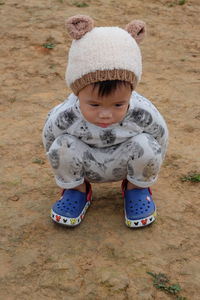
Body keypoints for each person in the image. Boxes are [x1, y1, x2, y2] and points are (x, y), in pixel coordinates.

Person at [42, 15, 168, 228]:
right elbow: (49, 138)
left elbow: (161, 137)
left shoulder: (142, 112)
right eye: (95, 105)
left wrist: (148, 169)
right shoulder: (66, 115)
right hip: (85, 164)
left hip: (125, 162)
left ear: (130, 94)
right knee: (61, 146)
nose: (105, 114)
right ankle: (77, 190)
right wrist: (65, 170)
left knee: (147, 144)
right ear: (77, 93)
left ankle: (136, 189)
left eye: (118, 105)